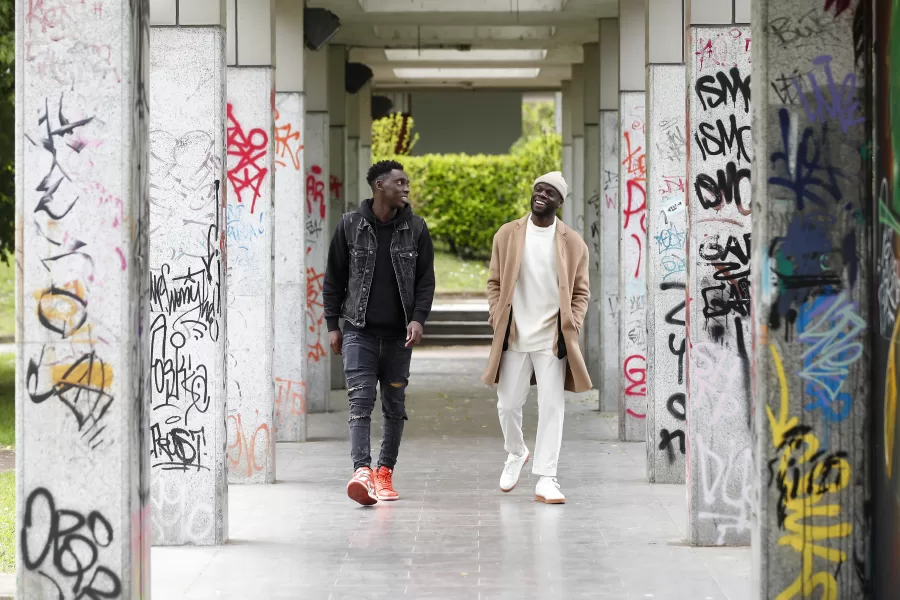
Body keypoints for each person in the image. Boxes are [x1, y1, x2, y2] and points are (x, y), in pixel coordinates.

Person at [323, 160, 435, 506]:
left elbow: (425, 281)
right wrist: (332, 325)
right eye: (399, 182)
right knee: (360, 402)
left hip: (400, 337)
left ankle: (384, 471)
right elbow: (334, 279)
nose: (406, 188)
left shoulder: (416, 228)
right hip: (359, 332)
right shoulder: (350, 226)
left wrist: (418, 319)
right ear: (379, 186)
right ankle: (362, 471)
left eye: (407, 182)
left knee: (394, 407)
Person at [481, 171, 591, 504]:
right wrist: (496, 315)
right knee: (507, 405)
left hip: (552, 338)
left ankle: (546, 477)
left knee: (552, 407)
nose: (541, 195)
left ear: (559, 201)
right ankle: (516, 452)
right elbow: (494, 282)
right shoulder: (508, 234)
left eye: (549, 192)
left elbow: (581, 291)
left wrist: (573, 323)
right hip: (514, 335)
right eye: (538, 190)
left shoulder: (573, 242)